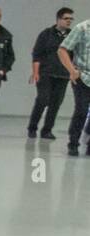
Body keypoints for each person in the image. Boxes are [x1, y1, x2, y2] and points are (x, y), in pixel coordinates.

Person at [29, 8, 76, 139]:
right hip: (46, 73)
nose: (69, 21)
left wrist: (73, 71)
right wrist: (35, 72)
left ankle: (47, 130)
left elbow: (74, 56)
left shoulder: (72, 35)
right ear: (58, 19)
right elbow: (37, 54)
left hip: (62, 75)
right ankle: (32, 127)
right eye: (66, 18)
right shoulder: (46, 34)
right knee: (42, 100)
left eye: (71, 19)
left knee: (56, 104)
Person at [58, 14, 90, 153]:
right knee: (81, 111)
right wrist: (72, 70)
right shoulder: (82, 28)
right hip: (83, 76)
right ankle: (74, 142)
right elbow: (62, 49)